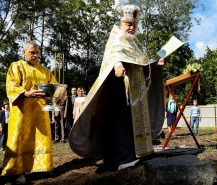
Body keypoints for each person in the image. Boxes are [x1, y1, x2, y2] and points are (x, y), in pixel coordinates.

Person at [69, 4, 165, 173]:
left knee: (130, 124)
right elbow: (113, 56)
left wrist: (155, 65)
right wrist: (118, 66)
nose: (131, 28)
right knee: (119, 123)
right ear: (122, 23)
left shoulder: (135, 45)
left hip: (135, 94)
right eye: (129, 24)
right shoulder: (115, 39)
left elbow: (141, 66)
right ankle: (120, 159)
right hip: (118, 89)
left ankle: (135, 155)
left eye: (134, 25)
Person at [2, 40, 57, 184]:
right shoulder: (16, 67)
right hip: (21, 112)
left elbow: (54, 86)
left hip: (40, 113)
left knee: (41, 139)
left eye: (37, 53)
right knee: (19, 140)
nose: (35, 55)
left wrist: (58, 92)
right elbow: (11, 86)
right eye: (32, 52)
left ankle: (42, 167)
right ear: (24, 52)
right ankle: (16, 172)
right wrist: (26, 94)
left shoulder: (44, 70)